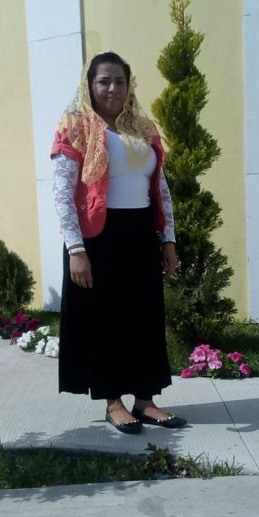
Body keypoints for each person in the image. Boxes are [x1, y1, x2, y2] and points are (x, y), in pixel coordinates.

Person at [51, 51, 186, 434]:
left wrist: (168, 239)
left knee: (145, 318)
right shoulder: (75, 127)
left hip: (140, 233)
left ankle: (146, 400)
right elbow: (62, 194)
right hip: (97, 238)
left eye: (120, 81)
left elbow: (160, 186)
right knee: (105, 320)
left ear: (130, 86)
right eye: (104, 81)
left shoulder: (142, 128)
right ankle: (113, 401)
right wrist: (76, 250)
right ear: (89, 86)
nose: (113, 88)